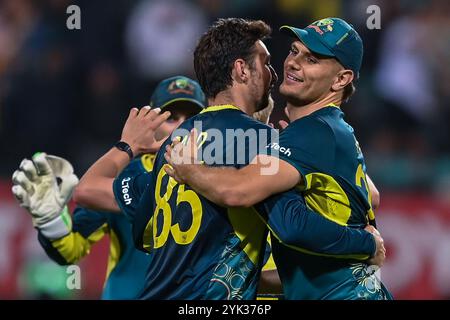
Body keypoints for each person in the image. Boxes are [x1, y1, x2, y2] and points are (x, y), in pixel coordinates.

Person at [74, 18, 384, 300]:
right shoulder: (260, 142)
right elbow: (295, 220)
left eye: (310, 58)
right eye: (266, 62)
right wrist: (365, 243)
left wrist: (127, 147)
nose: (276, 71)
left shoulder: (174, 144)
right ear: (241, 70)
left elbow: (141, 233)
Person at [165, 18, 392, 300]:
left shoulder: (315, 132)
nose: (293, 63)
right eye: (295, 51)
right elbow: (372, 196)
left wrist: (190, 170)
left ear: (341, 79)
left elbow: (242, 194)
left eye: (312, 59)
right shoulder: (328, 130)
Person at [11, 76, 206, 299]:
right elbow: (71, 249)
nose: (181, 126)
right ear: (150, 121)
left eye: (191, 118)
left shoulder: (222, 176)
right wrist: (51, 221)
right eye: (171, 117)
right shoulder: (123, 174)